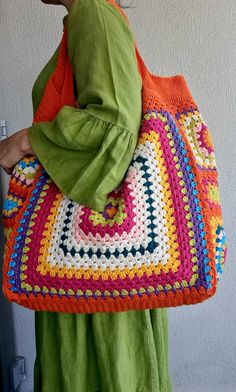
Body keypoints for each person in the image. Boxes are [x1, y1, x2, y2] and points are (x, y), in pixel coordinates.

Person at [0, 0, 173, 391]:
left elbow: (111, 126)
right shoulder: (90, 14)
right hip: (91, 257)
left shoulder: (93, 11)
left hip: (93, 259)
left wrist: (25, 140)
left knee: (99, 371)